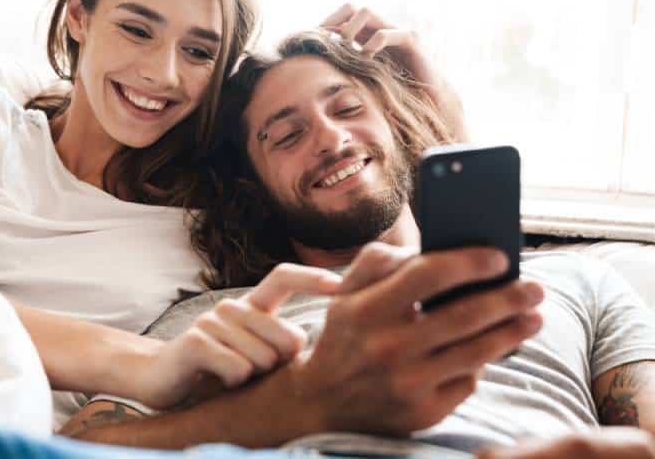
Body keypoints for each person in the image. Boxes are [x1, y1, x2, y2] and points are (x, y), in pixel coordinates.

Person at [59, 29, 655, 458]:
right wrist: (274, 410)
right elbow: (77, 445)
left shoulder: (578, 282)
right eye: (287, 136)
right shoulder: (226, 317)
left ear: (393, 124)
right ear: (255, 186)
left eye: (347, 107)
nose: (330, 137)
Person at [0, 0, 354, 429]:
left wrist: (415, 84)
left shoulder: (220, 214)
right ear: (78, 13)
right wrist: (139, 364)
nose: (161, 74)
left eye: (198, 52)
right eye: (138, 30)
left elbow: (372, 238)